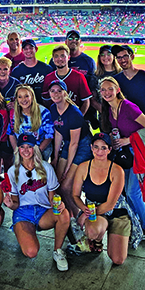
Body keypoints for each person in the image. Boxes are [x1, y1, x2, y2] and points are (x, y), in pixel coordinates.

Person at [3, 134, 70, 271]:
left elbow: (52, 196)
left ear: (35, 149)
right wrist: (10, 205)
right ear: (18, 149)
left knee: (64, 214)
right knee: (31, 251)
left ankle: (58, 251)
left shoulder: (46, 167)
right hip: (23, 213)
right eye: (22, 147)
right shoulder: (12, 171)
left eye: (29, 147)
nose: (26, 150)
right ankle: (21, 229)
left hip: (43, 212)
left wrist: (58, 204)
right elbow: (15, 203)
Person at [100, 77, 145, 240]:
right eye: (103, 90)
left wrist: (127, 140)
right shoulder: (109, 109)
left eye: (110, 88)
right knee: (127, 192)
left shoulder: (129, 107)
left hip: (137, 153)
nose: (106, 92)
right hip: (125, 154)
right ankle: (136, 224)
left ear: (117, 90)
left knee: (133, 192)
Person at [112, 44, 145, 219]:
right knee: (128, 177)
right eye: (119, 58)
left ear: (131, 56)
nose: (122, 60)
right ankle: (131, 212)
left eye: (125, 56)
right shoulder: (117, 79)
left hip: (143, 135)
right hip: (124, 136)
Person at [72, 133, 129, 265]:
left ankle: (112, 234)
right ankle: (97, 239)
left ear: (109, 150)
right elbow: (75, 195)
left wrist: (84, 216)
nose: (99, 151)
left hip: (116, 212)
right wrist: (83, 210)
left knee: (118, 259)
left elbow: (110, 205)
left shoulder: (117, 170)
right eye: (96, 147)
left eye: (103, 148)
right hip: (94, 211)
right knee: (92, 231)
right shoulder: (83, 167)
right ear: (91, 148)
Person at [48, 80, 92, 220]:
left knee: (66, 186)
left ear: (65, 93)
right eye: (53, 91)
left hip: (82, 145)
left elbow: (75, 143)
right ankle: (71, 214)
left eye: (59, 91)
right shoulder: (53, 109)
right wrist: (55, 157)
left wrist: (67, 169)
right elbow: (59, 133)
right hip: (68, 142)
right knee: (58, 185)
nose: (56, 94)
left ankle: (79, 216)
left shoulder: (74, 113)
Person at [8, 85, 54, 164]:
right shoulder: (14, 113)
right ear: (17, 100)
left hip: (40, 148)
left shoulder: (44, 112)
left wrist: (37, 152)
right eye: (20, 97)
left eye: (26, 96)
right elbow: (11, 134)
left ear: (32, 97)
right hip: (21, 150)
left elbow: (49, 136)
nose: (23, 100)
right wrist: (17, 151)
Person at [42, 44, 92, 116]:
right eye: (56, 56)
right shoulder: (48, 78)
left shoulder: (79, 77)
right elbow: (46, 101)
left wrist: (79, 118)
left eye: (62, 56)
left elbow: (86, 101)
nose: (59, 59)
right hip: (55, 121)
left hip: (73, 119)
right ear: (53, 59)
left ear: (68, 57)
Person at [11, 39, 53, 105]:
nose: (28, 50)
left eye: (31, 48)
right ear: (22, 50)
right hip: (24, 108)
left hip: (44, 107)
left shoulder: (47, 69)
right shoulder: (16, 71)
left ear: (36, 49)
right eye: (25, 48)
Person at [92, 45, 122, 112]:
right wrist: (104, 112)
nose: (105, 57)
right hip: (103, 114)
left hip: (121, 113)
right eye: (102, 55)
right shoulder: (95, 75)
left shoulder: (121, 74)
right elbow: (93, 99)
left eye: (109, 54)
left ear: (114, 56)